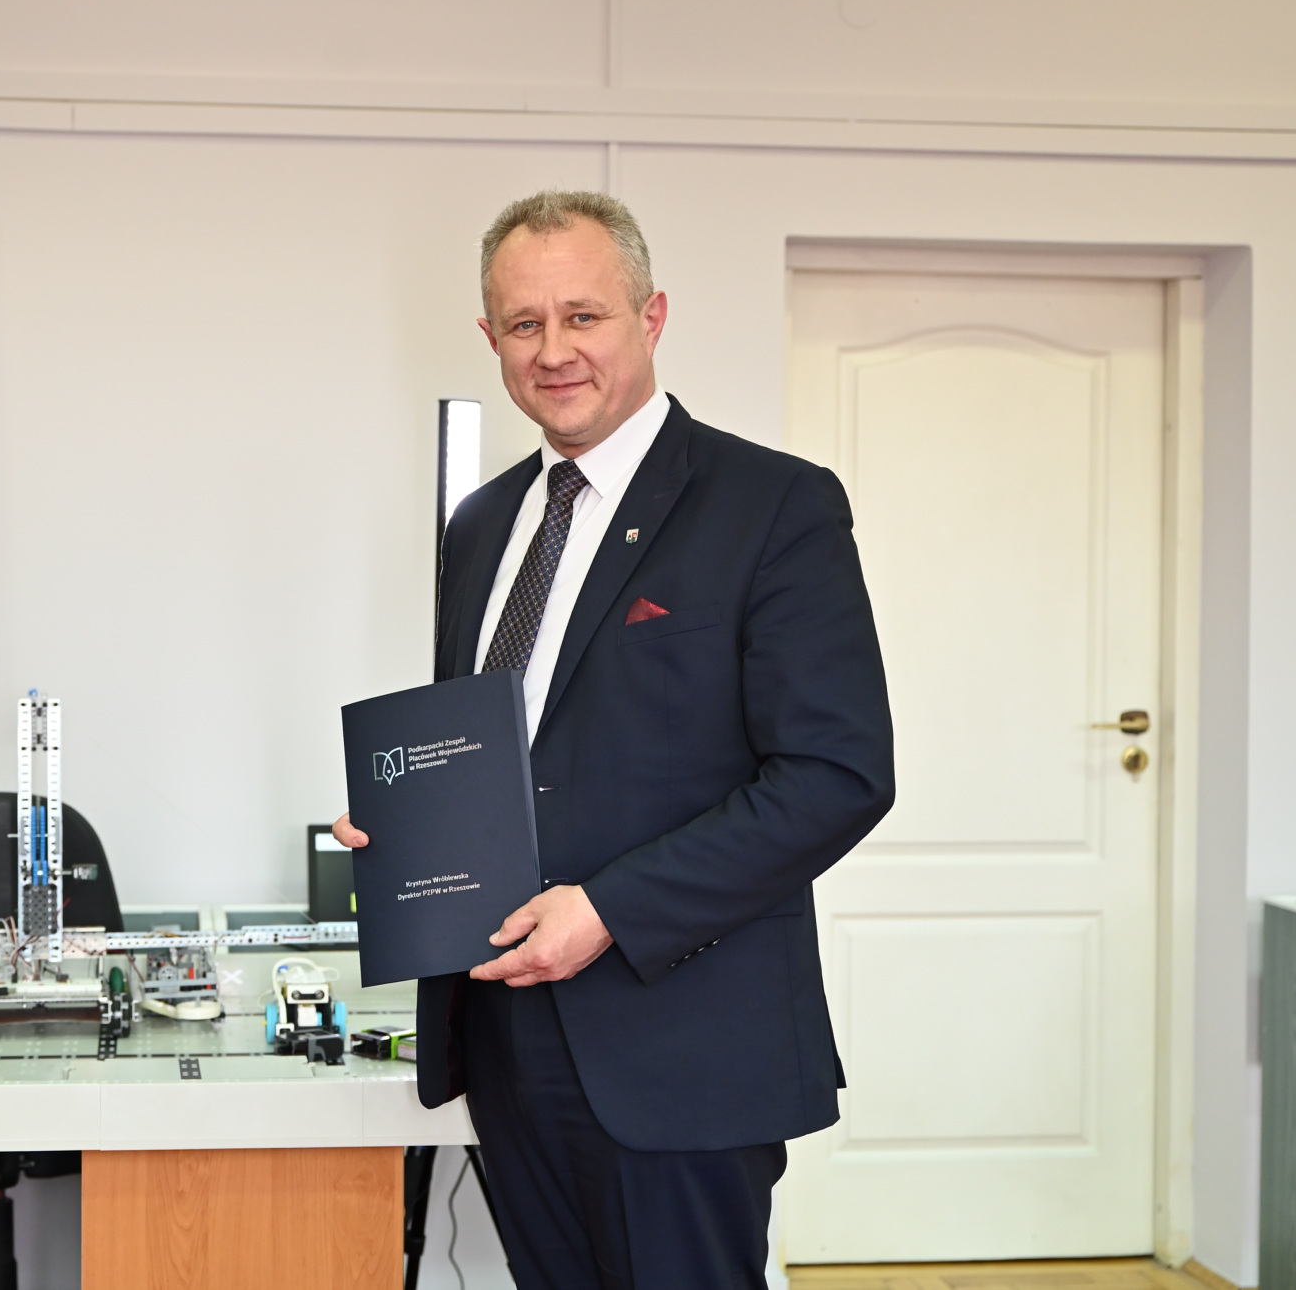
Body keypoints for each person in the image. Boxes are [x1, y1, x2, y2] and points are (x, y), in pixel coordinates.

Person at [333, 191, 894, 1289]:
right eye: (524, 324)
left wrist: (609, 910)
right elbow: (499, 749)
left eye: (582, 316)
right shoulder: (481, 525)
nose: (554, 351)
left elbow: (836, 776)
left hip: (679, 1047)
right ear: (490, 337)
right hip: (503, 1030)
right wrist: (407, 824)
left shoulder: (772, 505)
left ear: (651, 315)